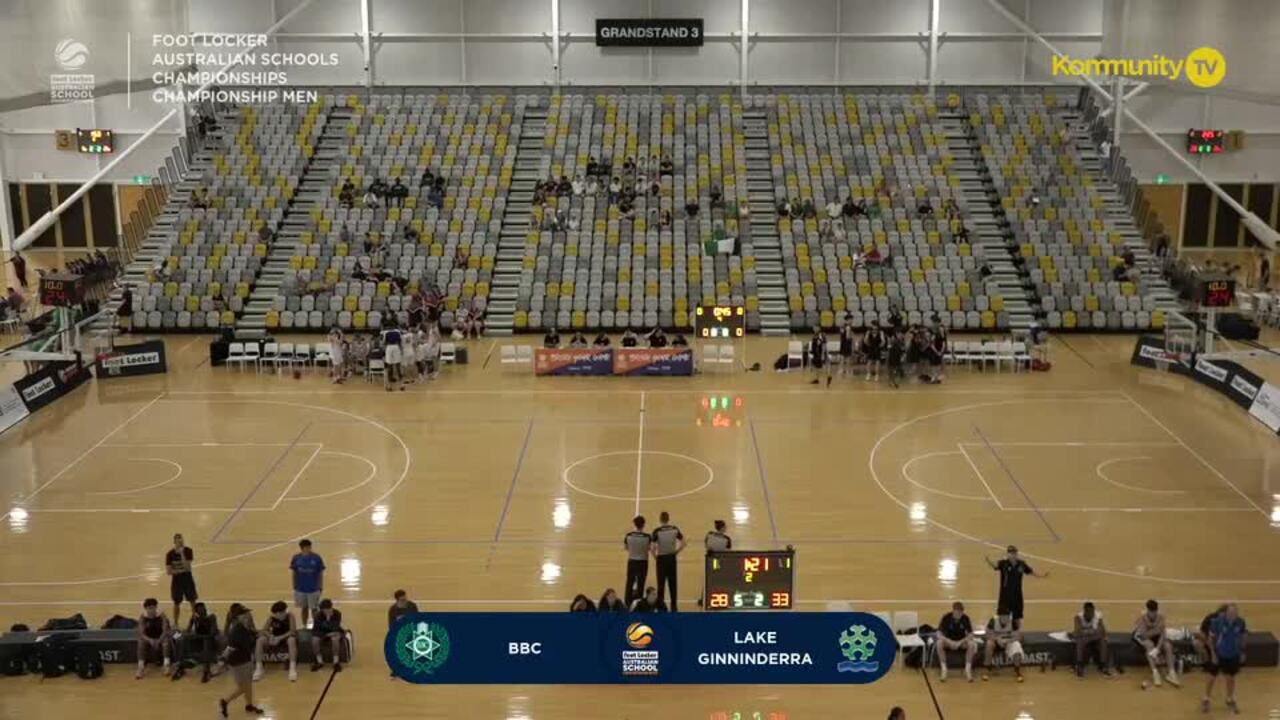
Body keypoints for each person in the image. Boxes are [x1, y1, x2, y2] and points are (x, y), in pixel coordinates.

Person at [215, 604, 264, 717]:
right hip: (239, 662)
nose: (247, 615)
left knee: (248, 684)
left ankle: (249, 705)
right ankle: (225, 701)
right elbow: (230, 648)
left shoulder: (242, 626)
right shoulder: (236, 631)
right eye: (244, 614)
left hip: (244, 659)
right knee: (244, 687)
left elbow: (250, 634)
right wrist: (222, 661)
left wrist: (257, 634)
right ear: (238, 616)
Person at [984, 545, 1047, 623]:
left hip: (1017, 594)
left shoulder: (1021, 564)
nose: (1012, 555)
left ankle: (1016, 633)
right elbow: (995, 566)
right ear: (1007, 554)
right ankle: (1004, 632)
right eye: (1010, 553)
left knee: (1017, 616)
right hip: (1005, 595)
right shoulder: (1003, 563)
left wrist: (1041, 576)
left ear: (1017, 554)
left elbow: (1030, 572)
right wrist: (988, 560)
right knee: (1003, 617)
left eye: (1014, 553)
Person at [1203, 603, 1246, 714]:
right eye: (1231, 613)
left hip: (1233, 654)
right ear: (1225, 613)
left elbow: (1242, 637)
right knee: (1212, 677)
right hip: (1219, 654)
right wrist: (1213, 654)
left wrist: (1242, 652)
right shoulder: (1217, 622)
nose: (1233, 615)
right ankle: (1206, 698)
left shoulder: (1241, 623)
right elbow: (1210, 638)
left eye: (1235, 613)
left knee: (1230, 678)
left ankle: (1229, 699)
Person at [1133, 599, 1180, 687]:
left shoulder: (1161, 617)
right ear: (1148, 611)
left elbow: (1163, 634)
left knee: (1168, 646)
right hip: (1139, 636)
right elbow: (1144, 636)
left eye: (1155, 612)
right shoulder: (1142, 618)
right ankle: (1155, 672)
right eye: (1151, 612)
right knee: (1149, 645)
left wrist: (1158, 649)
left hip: (1155, 636)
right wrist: (1156, 631)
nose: (1153, 614)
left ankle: (1171, 672)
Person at [254, 600, 298, 681]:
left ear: (282, 612)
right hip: (274, 637)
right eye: (275, 614)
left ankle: (292, 668)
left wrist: (279, 638)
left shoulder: (290, 616)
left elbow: (292, 631)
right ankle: (259, 668)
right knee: (260, 640)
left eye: (277, 614)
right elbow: (264, 630)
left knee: (291, 640)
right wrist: (270, 636)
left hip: (286, 637)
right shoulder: (272, 618)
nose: (276, 616)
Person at [936, 601, 978, 682]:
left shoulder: (965, 618)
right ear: (953, 611)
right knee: (939, 643)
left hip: (961, 642)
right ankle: (944, 669)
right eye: (957, 612)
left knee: (972, 644)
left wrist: (960, 642)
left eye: (961, 612)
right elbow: (938, 634)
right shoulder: (946, 617)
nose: (959, 614)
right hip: (948, 642)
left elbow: (971, 635)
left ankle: (967, 669)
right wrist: (949, 641)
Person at [651, 511, 685, 612]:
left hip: (661, 559)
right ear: (668, 519)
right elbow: (683, 542)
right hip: (671, 558)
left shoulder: (657, 531)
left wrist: (655, 557)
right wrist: (676, 552)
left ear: (660, 519)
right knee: (672, 583)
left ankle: (661, 607)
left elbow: (652, 548)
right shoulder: (674, 529)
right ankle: (674, 606)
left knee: (661, 584)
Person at [289, 539, 325, 628]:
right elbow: (294, 572)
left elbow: (320, 573)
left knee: (314, 609)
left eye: (310, 547)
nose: (309, 549)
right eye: (307, 547)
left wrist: (320, 586)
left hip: (313, 588)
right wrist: (294, 585)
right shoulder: (296, 558)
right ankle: (305, 626)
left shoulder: (317, 558)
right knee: (304, 608)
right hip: (300, 588)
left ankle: (316, 626)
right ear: (302, 548)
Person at [982, 609, 1025, 682]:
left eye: (1007, 617)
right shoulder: (993, 621)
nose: (1006, 619)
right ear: (999, 616)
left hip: (1009, 642)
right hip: (996, 642)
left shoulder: (1012, 621)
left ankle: (1017, 670)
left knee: (1017, 646)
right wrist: (997, 639)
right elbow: (987, 635)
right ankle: (987, 669)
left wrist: (1009, 640)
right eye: (1004, 617)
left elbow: (1019, 636)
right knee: (989, 644)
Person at [165, 533, 198, 627]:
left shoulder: (188, 551)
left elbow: (187, 567)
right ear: (174, 542)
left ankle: (196, 620)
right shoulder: (169, 554)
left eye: (181, 540)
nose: (180, 542)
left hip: (188, 580)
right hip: (176, 582)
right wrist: (181, 570)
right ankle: (175, 622)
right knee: (176, 603)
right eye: (178, 541)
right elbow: (169, 571)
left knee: (193, 601)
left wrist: (182, 554)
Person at [136, 598, 174, 678]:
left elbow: (165, 630)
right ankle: (141, 667)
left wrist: (159, 640)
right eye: (149, 608)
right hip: (149, 638)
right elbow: (141, 633)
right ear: (146, 609)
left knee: (166, 642)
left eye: (153, 607)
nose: (152, 610)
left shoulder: (162, 616)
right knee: (141, 642)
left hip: (160, 636)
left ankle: (166, 665)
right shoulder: (142, 617)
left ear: (156, 607)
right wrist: (150, 640)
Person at [184, 601, 220, 683]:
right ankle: (181, 665)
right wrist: (185, 635)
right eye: (200, 611)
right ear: (197, 612)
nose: (202, 612)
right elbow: (188, 630)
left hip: (211, 640)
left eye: (203, 610)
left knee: (206, 642)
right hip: (199, 639)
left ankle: (206, 671)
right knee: (183, 639)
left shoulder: (211, 617)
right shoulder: (194, 617)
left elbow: (212, 633)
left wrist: (196, 636)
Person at [1073, 601, 1111, 677]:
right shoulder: (1078, 617)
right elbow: (1077, 632)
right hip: (1084, 639)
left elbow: (1102, 631)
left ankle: (1103, 665)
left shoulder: (1098, 616)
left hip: (1094, 638)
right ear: (1085, 612)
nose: (1091, 614)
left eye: (1092, 612)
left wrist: (1087, 633)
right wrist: (1092, 632)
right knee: (1080, 642)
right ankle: (1079, 665)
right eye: (1089, 612)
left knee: (1103, 641)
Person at [623, 515, 652, 607]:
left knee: (630, 582)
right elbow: (649, 548)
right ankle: (638, 602)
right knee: (641, 583)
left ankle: (627, 602)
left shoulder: (628, 535)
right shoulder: (647, 537)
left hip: (632, 561)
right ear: (643, 525)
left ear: (635, 525)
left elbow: (626, 547)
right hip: (643, 562)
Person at [310, 599, 345, 672]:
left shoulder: (337, 614)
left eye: (328, 609)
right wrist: (327, 633)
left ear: (331, 608)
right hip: (322, 633)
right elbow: (316, 629)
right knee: (314, 640)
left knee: (335, 639)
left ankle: (336, 662)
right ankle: (319, 661)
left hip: (333, 632)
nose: (327, 612)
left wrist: (328, 622)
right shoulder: (318, 616)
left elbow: (335, 627)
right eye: (325, 610)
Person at [382, 322, 405, 392]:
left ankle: (389, 386)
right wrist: (401, 350)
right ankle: (402, 385)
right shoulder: (398, 333)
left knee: (389, 366)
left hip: (389, 348)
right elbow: (400, 342)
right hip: (396, 347)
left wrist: (384, 352)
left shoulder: (386, 333)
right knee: (398, 366)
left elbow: (384, 343)